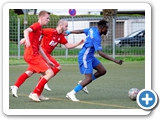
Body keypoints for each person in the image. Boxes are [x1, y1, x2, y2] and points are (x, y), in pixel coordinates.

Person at [10, 19, 85, 101]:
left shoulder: (61, 36)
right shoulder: (49, 31)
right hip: (41, 54)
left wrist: (79, 43)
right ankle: (37, 90)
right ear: (60, 25)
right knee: (57, 67)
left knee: (30, 72)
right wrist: (25, 39)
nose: (67, 28)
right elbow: (35, 33)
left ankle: (20, 87)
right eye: (66, 26)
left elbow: (68, 46)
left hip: (43, 56)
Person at [65, 20, 123, 101]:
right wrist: (114, 60)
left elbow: (81, 31)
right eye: (107, 28)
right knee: (88, 79)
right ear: (102, 28)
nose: (107, 30)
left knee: (102, 71)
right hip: (85, 57)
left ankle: (83, 83)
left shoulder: (92, 29)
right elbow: (100, 53)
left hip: (90, 56)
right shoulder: (97, 37)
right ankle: (71, 93)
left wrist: (70, 32)